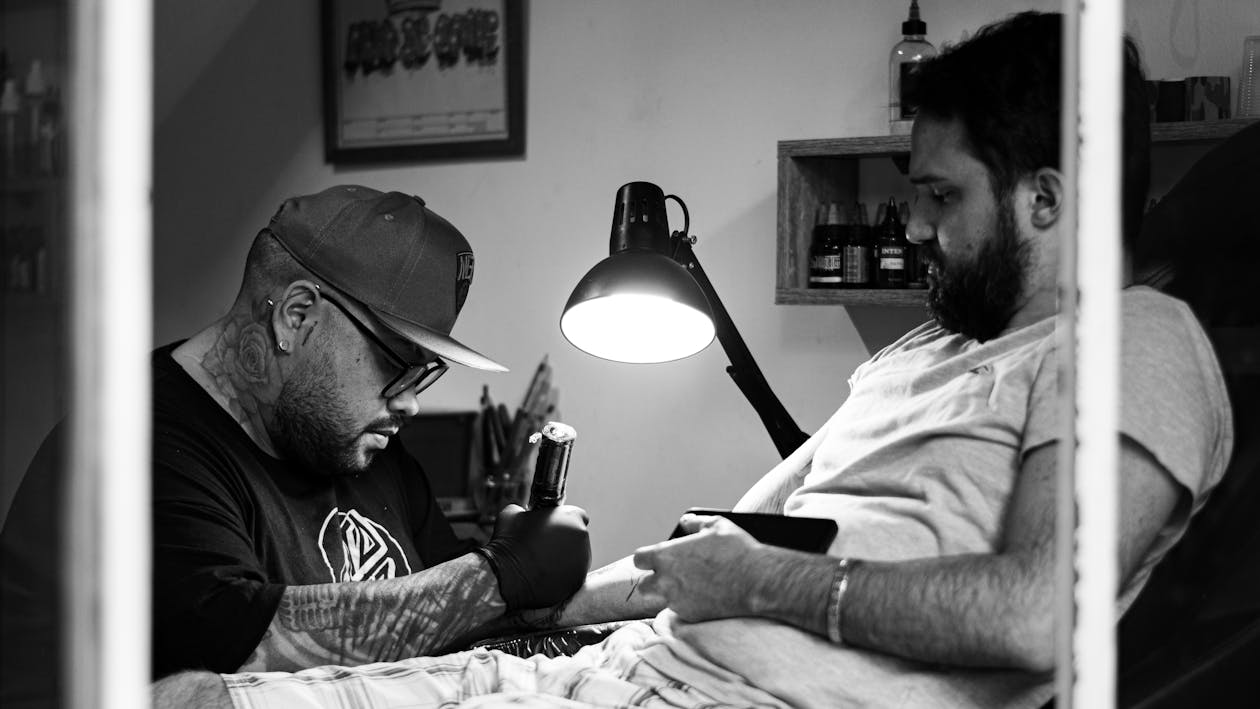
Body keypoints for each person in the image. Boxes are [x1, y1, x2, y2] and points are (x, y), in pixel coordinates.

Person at [153, 11, 1233, 709]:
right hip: (623, 671)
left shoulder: (1135, 342)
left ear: (1049, 198)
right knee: (188, 699)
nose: (914, 228)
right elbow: (707, 548)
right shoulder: (923, 352)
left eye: (942, 197)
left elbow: (1036, 613)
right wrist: (526, 598)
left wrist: (751, 579)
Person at [0, 186, 592, 707]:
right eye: (399, 364)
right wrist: (497, 574)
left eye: (425, 371)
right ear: (297, 315)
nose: (411, 403)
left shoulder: (354, 443)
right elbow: (249, 652)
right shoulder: (130, 453)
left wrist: (643, 588)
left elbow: (455, 610)